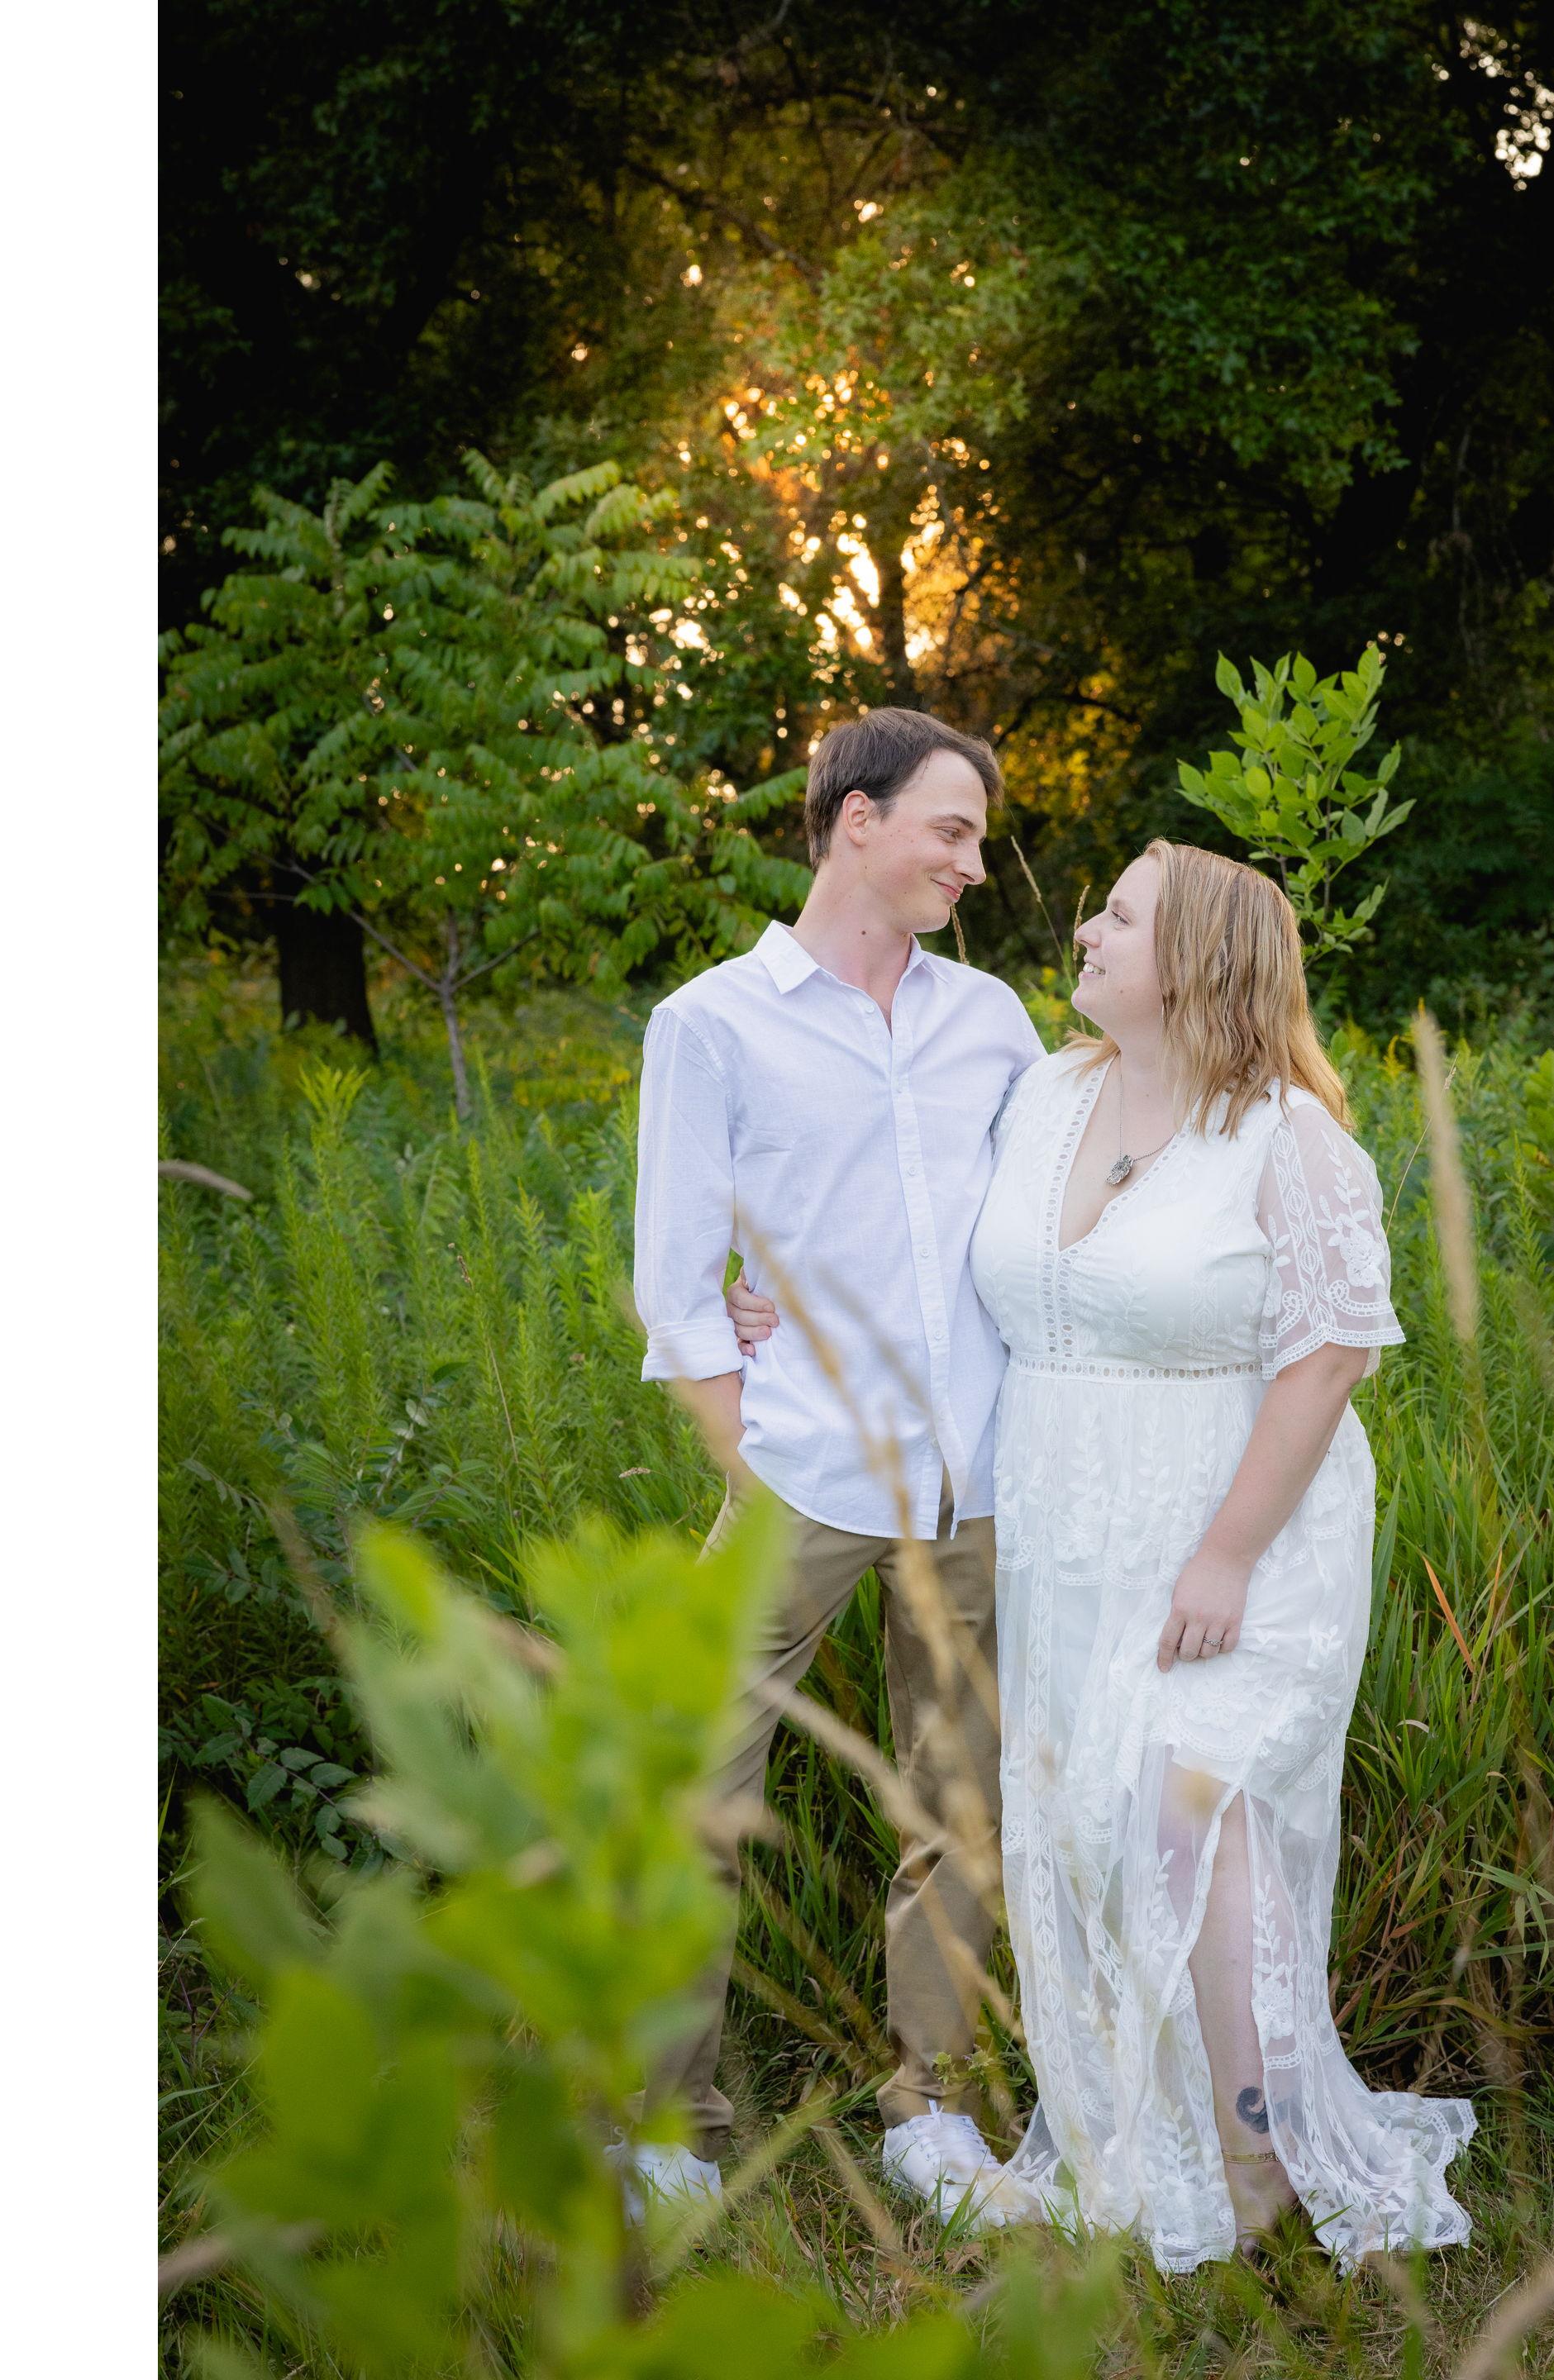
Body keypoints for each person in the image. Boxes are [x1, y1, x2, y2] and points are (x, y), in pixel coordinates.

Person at [729, 839, 1475, 2273]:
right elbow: (914, 1232)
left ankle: (1256, 2168)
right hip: (1071, 1527)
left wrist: (1227, 1559)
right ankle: (1153, 2131)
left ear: (1193, 960)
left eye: (1119, 916)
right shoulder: (1048, 1095)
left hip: (1236, 1527)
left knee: (1197, 1818)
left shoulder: (1288, 1138)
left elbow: (1329, 1361)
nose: (1082, 927)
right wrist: (767, 1294)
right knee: (1097, 1830)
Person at [629, 707, 1046, 2228]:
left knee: (963, 1805)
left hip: (978, 1483)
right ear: (853, 821)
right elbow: (675, 1286)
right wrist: (750, 1468)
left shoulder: (991, 1020)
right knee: (693, 1786)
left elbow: (1047, 1225)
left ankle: (928, 2115)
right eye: (951, 829)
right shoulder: (713, 1025)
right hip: (797, 1476)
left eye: (980, 838)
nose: (973, 864)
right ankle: (669, 2126)